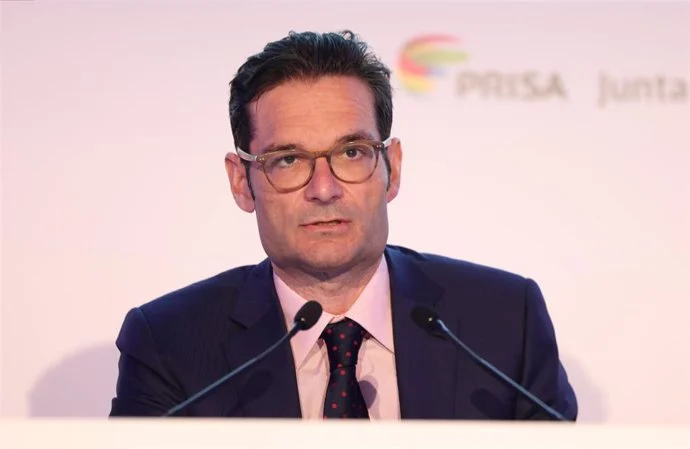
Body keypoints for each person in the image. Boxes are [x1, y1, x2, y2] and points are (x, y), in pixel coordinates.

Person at [109, 30, 578, 420]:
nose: (324, 188)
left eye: (352, 153)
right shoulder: (169, 343)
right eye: (288, 159)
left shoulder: (503, 322)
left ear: (392, 168)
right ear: (241, 182)